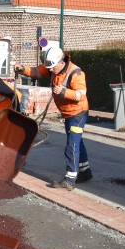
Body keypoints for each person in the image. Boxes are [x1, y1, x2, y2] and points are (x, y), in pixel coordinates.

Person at [15, 46, 92, 190]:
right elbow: (37, 71)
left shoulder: (76, 73)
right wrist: (22, 69)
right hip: (68, 113)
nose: (50, 70)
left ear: (61, 62)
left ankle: (69, 180)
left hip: (78, 113)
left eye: (52, 68)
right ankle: (85, 171)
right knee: (76, 141)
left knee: (72, 145)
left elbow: (81, 95)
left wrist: (64, 91)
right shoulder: (53, 66)